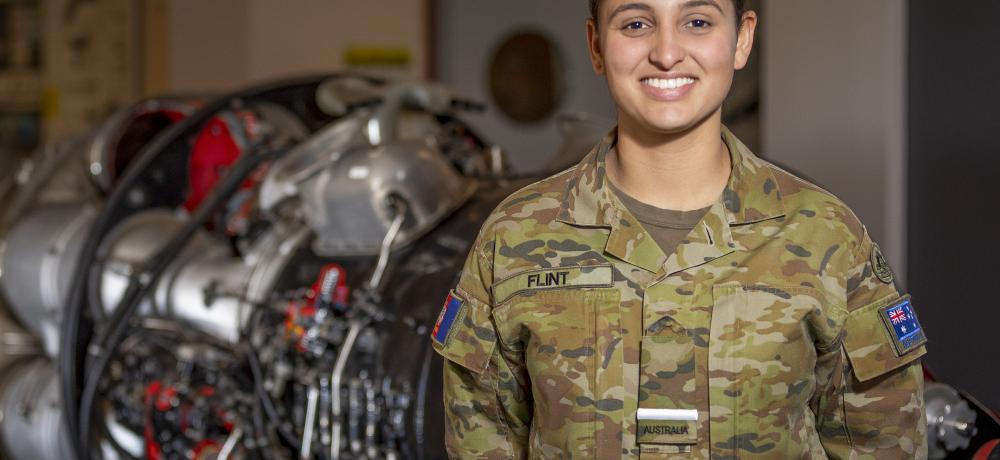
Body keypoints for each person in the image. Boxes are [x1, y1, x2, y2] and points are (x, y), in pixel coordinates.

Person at [430, 0, 927, 457]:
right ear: (597, 45)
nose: (667, 53)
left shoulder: (825, 236)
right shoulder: (517, 237)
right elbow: (482, 435)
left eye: (697, 22)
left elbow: (882, 441)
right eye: (636, 24)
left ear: (741, 39)